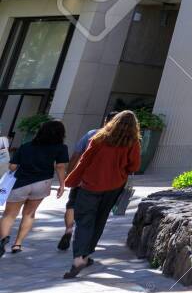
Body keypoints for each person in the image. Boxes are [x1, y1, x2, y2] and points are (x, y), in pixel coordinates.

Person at [63, 111, 140, 278]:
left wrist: (71, 179)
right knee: (100, 219)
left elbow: (84, 160)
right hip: (114, 186)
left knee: (84, 220)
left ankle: (78, 258)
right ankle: (87, 254)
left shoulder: (99, 137)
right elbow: (134, 166)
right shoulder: (132, 142)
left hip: (89, 185)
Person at [1, 119, 69, 256]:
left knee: (9, 215)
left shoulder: (26, 146)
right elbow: (60, 166)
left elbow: (12, 167)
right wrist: (62, 184)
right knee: (29, 214)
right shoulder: (61, 148)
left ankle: (2, 240)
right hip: (42, 183)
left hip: (21, 183)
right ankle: (17, 244)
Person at [58, 112, 116, 252]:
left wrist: (69, 175)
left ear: (105, 120)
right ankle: (86, 246)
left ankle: (68, 230)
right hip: (105, 182)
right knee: (94, 213)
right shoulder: (121, 139)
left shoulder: (92, 134)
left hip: (83, 176)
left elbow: (77, 154)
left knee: (72, 203)